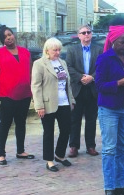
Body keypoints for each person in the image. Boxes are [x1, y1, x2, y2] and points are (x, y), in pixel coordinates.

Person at [96, 20, 124, 195]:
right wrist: (119, 83)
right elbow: (99, 85)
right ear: (113, 40)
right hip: (109, 109)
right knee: (109, 149)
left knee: (123, 148)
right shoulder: (105, 58)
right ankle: (109, 188)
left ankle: (120, 185)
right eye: (122, 41)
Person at [0, 25, 34, 165]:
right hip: (5, 95)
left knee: (21, 123)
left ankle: (20, 151)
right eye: (5, 36)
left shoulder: (25, 52)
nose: (8, 38)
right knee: (5, 125)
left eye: (10, 34)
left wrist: (33, 91)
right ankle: (1, 154)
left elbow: (31, 72)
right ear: (2, 40)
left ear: (14, 35)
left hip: (25, 94)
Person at [31, 38, 75, 172]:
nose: (58, 52)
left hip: (64, 102)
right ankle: (49, 160)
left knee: (66, 130)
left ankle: (60, 155)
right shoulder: (39, 64)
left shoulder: (62, 62)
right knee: (48, 132)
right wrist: (39, 106)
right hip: (48, 103)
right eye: (55, 50)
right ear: (47, 50)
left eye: (59, 50)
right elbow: (36, 86)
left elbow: (68, 83)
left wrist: (71, 100)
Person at [66, 25, 103, 158]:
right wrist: (81, 77)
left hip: (92, 89)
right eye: (83, 33)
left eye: (88, 32)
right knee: (74, 119)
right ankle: (74, 146)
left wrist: (92, 77)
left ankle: (90, 146)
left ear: (91, 34)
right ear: (79, 35)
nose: (86, 34)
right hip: (77, 88)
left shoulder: (98, 50)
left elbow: (101, 67)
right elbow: (68, 67)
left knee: (91, 119)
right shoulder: (72, 50)